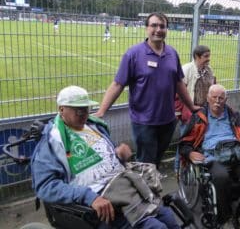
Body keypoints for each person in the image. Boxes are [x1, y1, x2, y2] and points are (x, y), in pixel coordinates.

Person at [31, 85, 180, 229]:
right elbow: (45, 186)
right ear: (61, 109)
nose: (83, 113)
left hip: (125, 188)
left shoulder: (95, 126)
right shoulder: (51, 142)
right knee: (155, 226)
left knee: (169, 219)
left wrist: (119, 155)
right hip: (102, 201)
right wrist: (90, 197)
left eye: (86, 108)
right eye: (78, 110)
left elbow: (106, 157)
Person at [95, 12, 199, 167]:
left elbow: (178, 83)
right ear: (146, 29)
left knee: (157, 160)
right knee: (146, 163)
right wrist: (101, 112)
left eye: (162, 26)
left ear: (166, 29)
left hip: (168, 120)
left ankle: (152, 189)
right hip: (144, 122)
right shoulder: (133, 54)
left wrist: (191, 106)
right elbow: (118, 84)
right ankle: (147, 190)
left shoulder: (172, 53)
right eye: (154, 25)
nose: (158, 29)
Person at [179, 84, 240, 227]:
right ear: (208, 98)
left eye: (221, 98)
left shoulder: (233, 115)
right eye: (214, 97)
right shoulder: (198, 117)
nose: (217, 101)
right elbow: (184, 142)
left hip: (236, 154)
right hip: (213, 158)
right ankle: (225, 218)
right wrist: (190, 153)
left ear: (226, 99)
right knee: (221, 177)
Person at [176, 45, 215, 124]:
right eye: (206, 56)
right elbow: (179, 92)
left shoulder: (209, 70)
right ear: (197, 56)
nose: (208, 59)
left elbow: (213, 87)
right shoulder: (186, 69)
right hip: (190, 110)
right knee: (188, 133)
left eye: (209, 56)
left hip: (204, 109)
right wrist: (181, 110)